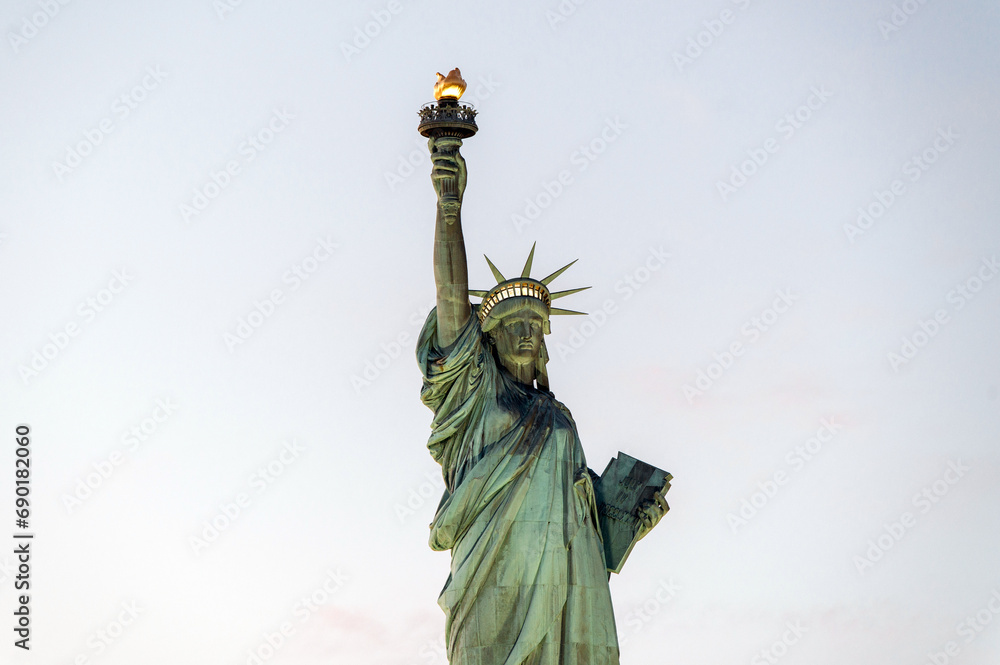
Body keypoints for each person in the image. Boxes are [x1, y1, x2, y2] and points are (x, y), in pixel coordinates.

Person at [417, 136, 667, 665]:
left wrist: (626, 514)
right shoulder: (475, 394)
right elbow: (451, 299)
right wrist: (449, 205)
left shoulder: (558, 418)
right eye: (514, 325)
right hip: (491, 573)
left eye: (536, 324)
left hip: (566, 585)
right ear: (487, 341)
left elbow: (585, 518)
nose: (528, 332)